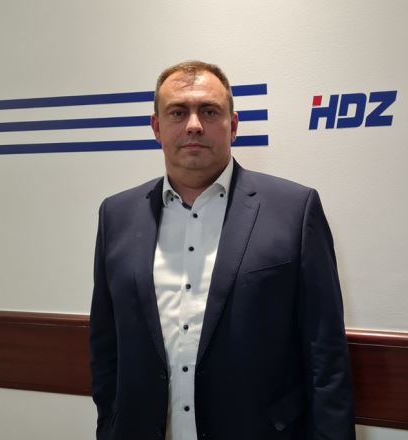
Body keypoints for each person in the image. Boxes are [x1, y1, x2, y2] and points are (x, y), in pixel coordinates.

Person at [89, 60, 355, 440]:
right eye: (177, 112)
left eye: (209, 111)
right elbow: (105, 347)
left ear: (233, 125)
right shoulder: (116, 215)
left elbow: (325, 355)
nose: (194, 125)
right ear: (156, 127)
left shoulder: (295, 210)